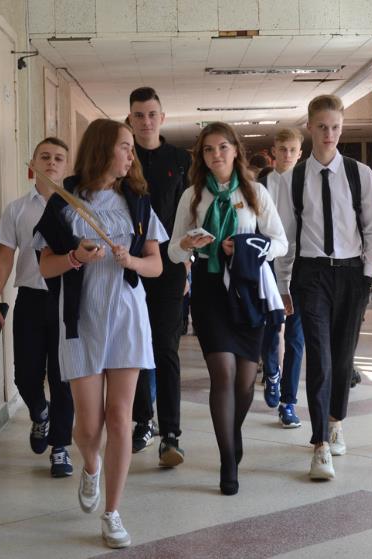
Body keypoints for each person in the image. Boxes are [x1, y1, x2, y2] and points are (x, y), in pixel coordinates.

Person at [35, 119, 165, 548]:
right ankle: (91, 464)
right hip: (81, 317)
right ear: (103, 149)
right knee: (88, 426)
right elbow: (45, 266)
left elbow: (156, 265)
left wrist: (132, 262)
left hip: (127, 315)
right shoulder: (64, 201)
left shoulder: (138, 202)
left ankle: (112, 512)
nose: (131, 154)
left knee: (120, 417)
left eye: (131, 148)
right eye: (125, 146)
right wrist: (75, 256)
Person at [168, 122, 287, 495]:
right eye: (208, 149)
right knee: (223, 373)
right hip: (209, 290)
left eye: (222, 147)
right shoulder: (193, 195)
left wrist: (250, 245)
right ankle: (227, 461)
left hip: (247, 290)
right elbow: (172, 251)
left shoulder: (254, 192)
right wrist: (187, 244)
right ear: (201, 156)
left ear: (236, 151)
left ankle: (232, 434)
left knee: (245, 381)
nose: (216, 154)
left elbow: (280, 242)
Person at [275, 95, 372, 480]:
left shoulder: (359, 174)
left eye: (335, 127)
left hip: (352, 274)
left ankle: (336, 421)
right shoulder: (293, 179)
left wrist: (368, 274)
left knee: (342, 358)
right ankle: (320, 443)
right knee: (319, 357)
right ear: (309, 127)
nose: (329, 134)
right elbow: (287, 237)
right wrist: (283, 285)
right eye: (322, 127)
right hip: (311, 274)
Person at [0, 137, 75, 478]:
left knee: (63, 378)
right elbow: (5, 257)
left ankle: (60, 448)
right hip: (31, 300)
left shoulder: (76, 206)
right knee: (25, 376)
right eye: (45, 157)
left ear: (66, 166)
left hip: (65, 300)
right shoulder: (17, 209)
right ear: (33, 165)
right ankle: (39, 412)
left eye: (59, 158)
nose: (52, 162)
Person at [126, 87, 191, 465]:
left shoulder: (180, 160)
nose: (146, 121)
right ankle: (142, 421)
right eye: (139, 115)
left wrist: (187, 260)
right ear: (130, 119)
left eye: (152, 114)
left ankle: (171, 433)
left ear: (162, 118)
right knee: (134, 346)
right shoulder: (123, 156)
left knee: (165, 348)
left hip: (168, 266)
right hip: (129, 266)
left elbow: (190, 212)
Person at [261, 127, 305, 427]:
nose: (287, 154)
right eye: (282, 149)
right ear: (273, 152)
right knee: (270, 328)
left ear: (300, 153)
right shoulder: (260, 185)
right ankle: (271, 373)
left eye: (292, 150)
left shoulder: (307, 183)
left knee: (295, 338)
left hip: (300, 267)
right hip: (266, 266)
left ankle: (289, 402)